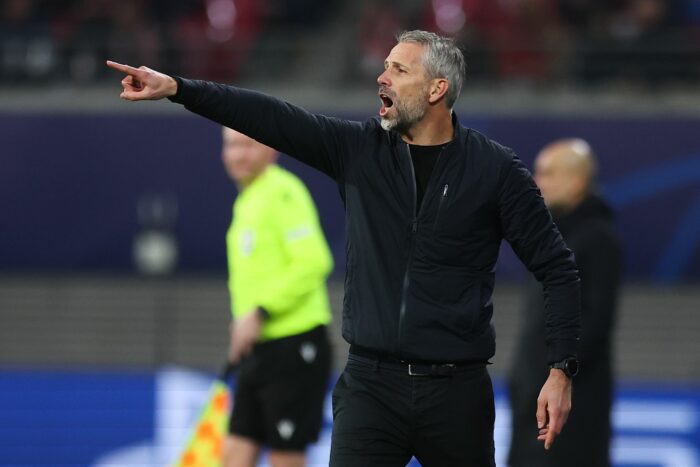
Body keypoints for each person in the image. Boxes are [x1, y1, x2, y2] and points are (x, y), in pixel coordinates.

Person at [106, 29, 581, 466]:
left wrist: (560, 368)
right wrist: (179, 88)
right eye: (385, 66)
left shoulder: (495, 170)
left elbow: (557, 269)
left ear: (437, 89)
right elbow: (269, 117)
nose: (382, 76)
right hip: (371, 388)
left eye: (399, 69)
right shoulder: (359, 150)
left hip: (457, 394)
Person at [220, 127, 334, 467]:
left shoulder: (283, 191)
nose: (238, 154)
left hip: (294, 346)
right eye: (231, 146)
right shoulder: (247, 199)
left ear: (271, 150)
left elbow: (314, 261)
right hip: (258, 350)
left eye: (247, 145)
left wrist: (259, 311)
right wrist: (242, 323)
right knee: (233, 455)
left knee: (286, 457)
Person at [508, 138, 622, 467]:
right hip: (533, 398)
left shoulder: (598, 240)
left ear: (577, 180)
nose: (538, 182)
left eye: (548, 173)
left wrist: (556, 374)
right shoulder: (550, 236)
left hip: (572, 404)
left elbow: (595, 324)